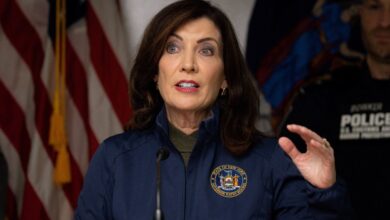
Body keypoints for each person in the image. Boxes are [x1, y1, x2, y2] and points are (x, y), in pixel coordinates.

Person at [74, 1, 352, 219]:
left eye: (206, 51)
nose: (188, 64)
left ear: (226, 78)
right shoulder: (114, 159)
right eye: (172, 48)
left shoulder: (269, 161)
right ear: (155, 73)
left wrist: (323, 192)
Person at [279, 0, 390, 219]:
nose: (385, 22)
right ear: (358, 13)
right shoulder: (321, 96)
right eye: (375, 7)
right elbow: (283, 191)